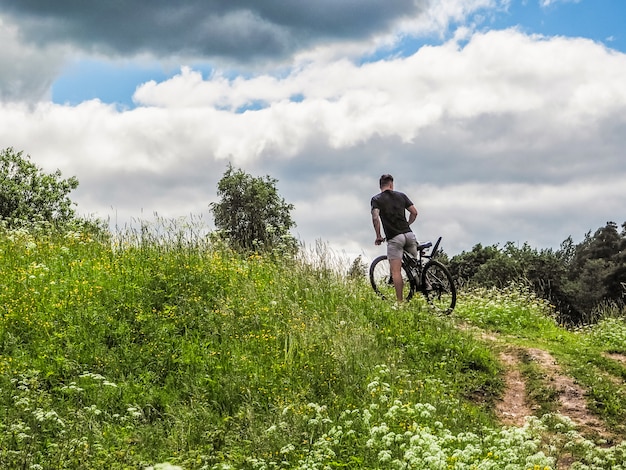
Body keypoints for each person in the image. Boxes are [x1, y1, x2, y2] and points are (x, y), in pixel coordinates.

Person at [371, 174, 418, 302]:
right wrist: (408, 224)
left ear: (380, 185)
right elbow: (414, 212)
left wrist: (378, 236)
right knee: (417, 265)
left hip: (395, 238)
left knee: (396, 272)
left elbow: (375, 218)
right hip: (409, 234)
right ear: (391, 184)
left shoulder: (376, 199)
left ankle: (400, 302)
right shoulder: (401, 196)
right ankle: (427, 286)